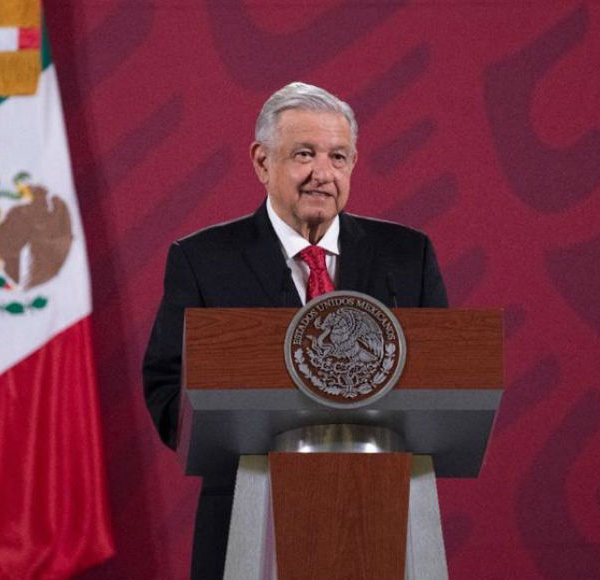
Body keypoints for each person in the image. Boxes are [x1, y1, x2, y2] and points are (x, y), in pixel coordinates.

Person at [142, 81, 447, 579]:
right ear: (262, 162)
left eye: (338, 156)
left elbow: (445, 381)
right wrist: (230, 423)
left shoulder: (405, 256)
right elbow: (164, 384)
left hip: (381, 512)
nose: (322, 174)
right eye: (304, 154)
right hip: (247, 510)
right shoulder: (203, 260)